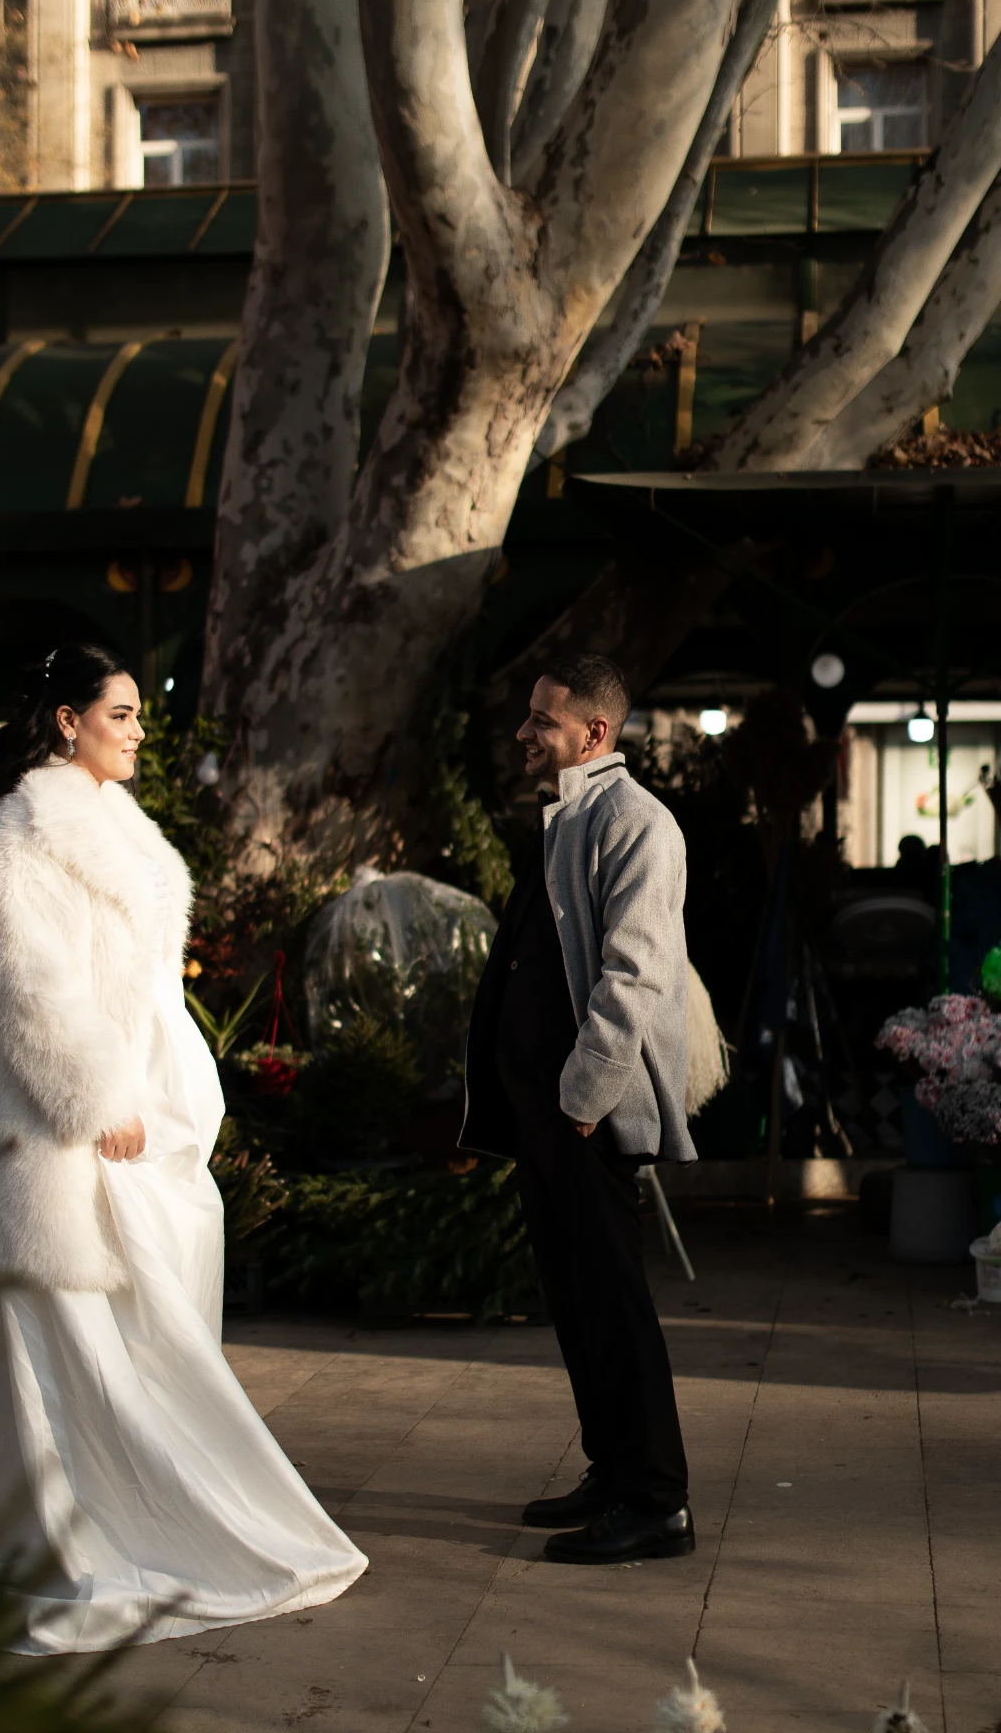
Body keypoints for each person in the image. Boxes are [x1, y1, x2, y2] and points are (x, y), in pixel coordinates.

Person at [0, 641, 366, 1654]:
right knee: (67, 1341)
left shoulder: (109, 822)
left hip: (140, 1121)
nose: (135, 730)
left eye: (134, 713)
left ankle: (138, 1510)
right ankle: (79, 1527)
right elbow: (26, 986)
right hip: (61, 1128)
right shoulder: (24, 836)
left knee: (143, 1329)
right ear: (65, 722)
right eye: (119, 714)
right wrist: (91, 1099)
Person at [462, 654, 696, 1565]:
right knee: (575, 1302)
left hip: (584, 1114)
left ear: (594, 734)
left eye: (542, 721)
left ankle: (658, 1502)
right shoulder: (569, 815)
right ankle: (613, 1471)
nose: (525, 734)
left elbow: (637, 973)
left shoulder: (637, 823)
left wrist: (585, 1098)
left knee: (615, 1304)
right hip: (546, 1113)